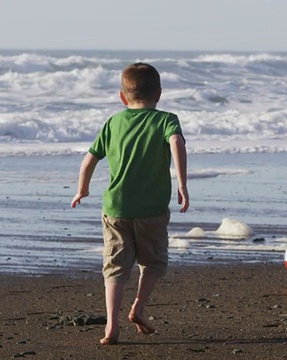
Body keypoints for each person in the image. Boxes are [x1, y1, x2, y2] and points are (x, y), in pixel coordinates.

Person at [71, 62, 189, 345]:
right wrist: (182, 183)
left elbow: (89, 159)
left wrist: (82, 189)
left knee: (115, 267)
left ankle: (111, 326)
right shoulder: (166, 120)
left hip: (116, 209)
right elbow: (177, 143)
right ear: (158, 94)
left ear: (123, 97)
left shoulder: (113, 122)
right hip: (152, 209)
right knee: (154, 262)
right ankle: (138, 307)